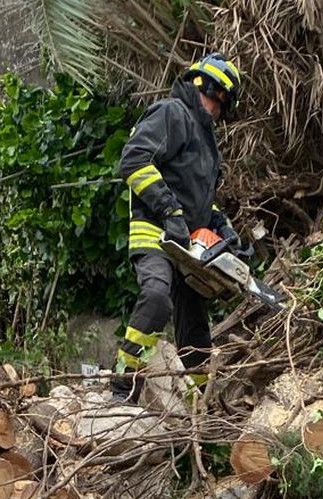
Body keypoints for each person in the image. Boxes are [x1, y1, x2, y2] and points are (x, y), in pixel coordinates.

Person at [111, 52, 242, 402]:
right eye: (217, 100)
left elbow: (199, 197)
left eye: (222, 105)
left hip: (188, 246)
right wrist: (169, 209)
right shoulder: (172, 113)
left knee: (196, 327)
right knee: (156, 298)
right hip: (155, 232)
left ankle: (199, 404)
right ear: (205, 86)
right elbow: (134, 161)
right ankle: (124, 383)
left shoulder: (206, 142)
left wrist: (221, 225)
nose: (217, 110)